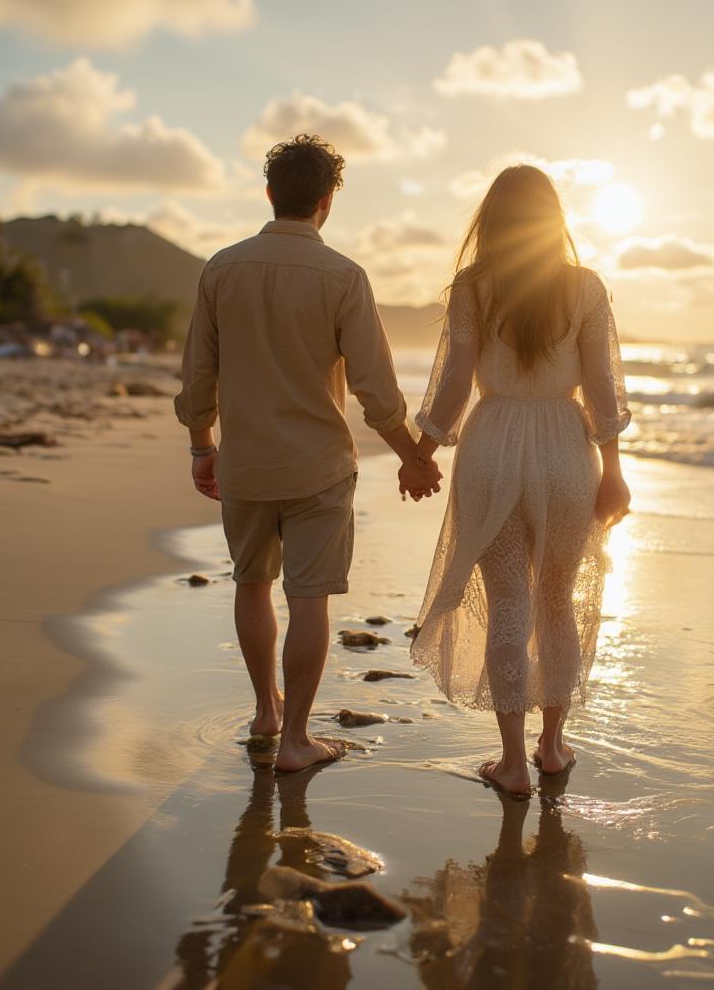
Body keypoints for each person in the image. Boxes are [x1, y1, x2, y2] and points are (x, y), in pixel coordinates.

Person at [174, 133, 441, 774]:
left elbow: (198, 374)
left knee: (251, 585)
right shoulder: (344, 276)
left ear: (270, 194)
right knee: (311, 600)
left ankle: (266, 711)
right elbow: (377, 388)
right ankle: (295, 739)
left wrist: (200, 446)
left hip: (246, 463)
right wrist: (411, 455)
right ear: (327, 202)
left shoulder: (221, 268)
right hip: (318, 468)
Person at [408, 164, 632, 796]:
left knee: (510, 601)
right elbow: (603, 389)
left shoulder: (473, 288)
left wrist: (420, 451)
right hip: (565, 448)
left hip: (492, 446)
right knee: (556, 600)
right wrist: (614, 471)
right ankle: (552, 747)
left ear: (493, 221)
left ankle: (511, 762)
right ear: (553, 220)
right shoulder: (585, 288)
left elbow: (453, 386)